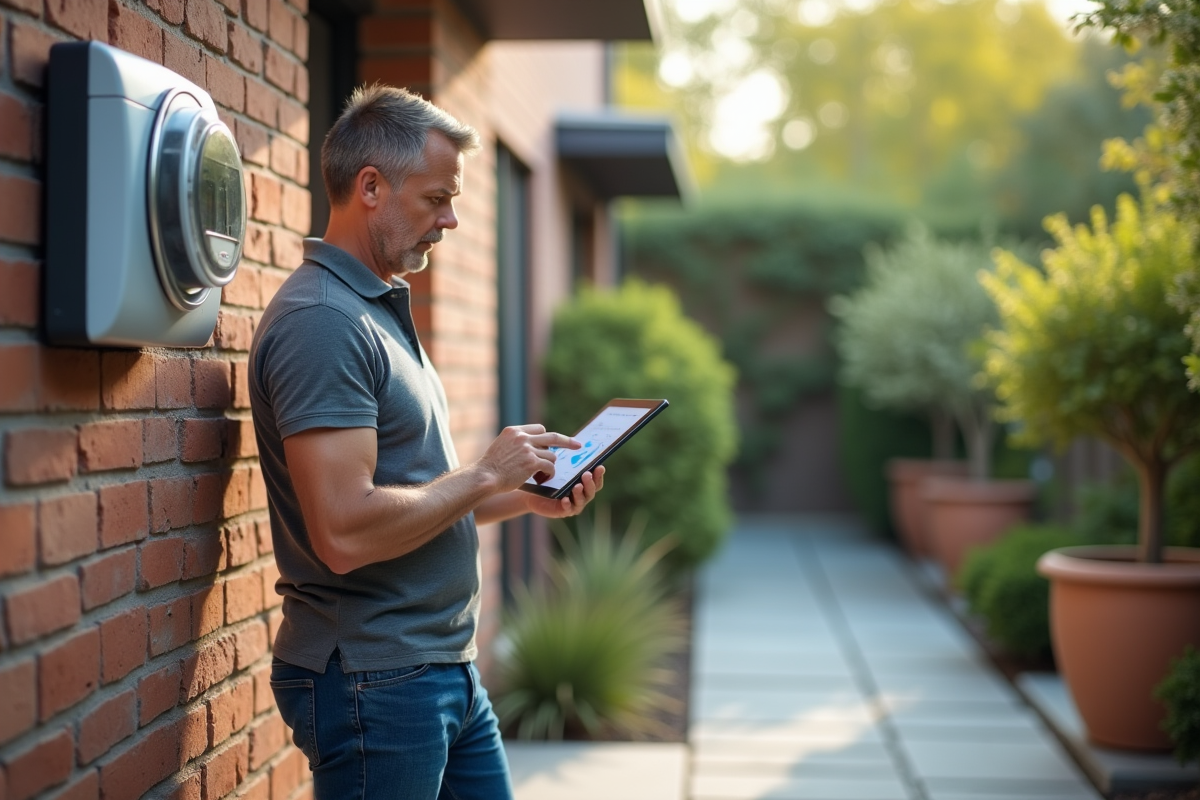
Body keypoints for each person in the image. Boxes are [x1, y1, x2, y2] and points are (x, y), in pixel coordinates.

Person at [249, 84, 604, 800]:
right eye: (436, 198)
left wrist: (523, 500)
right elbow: (345, 531)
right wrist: (483, 475)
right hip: (376, 680)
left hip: (440, 669)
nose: (451, 219)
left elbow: (412, 505)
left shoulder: (372, 310)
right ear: (371, 187)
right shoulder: (325, 323)